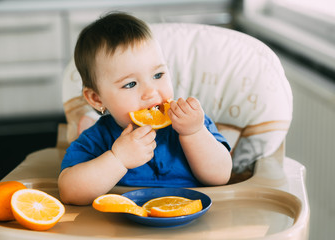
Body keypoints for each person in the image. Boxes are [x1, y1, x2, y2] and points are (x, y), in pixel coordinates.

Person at [58, 12, 232, 205]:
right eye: (130, 84)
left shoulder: (193, 123)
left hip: (189, 220)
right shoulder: (98, 139)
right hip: (122, 228)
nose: (150, 92)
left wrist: (194, 133)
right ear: (96, 98)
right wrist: (118, 159)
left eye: (158, 75)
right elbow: (69, 192)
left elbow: (221, 176)